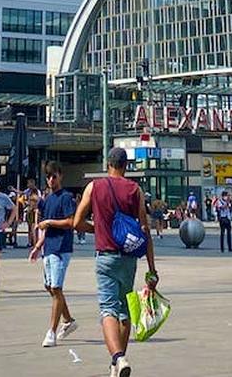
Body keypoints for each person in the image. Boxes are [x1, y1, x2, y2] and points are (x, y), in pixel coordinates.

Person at [71, 146, 158, 377]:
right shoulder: (135, 189)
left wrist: (97, 229)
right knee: (125, 310)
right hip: (129, 258)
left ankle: (118, 358)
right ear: (126, 166)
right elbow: (144, 230)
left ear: (108, 163)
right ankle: (117, 364)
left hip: (105, 256)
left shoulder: (94, 187)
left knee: (108, 309)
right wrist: (152, 270)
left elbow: (76, 222)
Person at [32, 161, 79, 347]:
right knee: (50, 287)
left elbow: (71, 222)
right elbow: (43, 226)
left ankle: (51, 331)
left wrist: (50, 222)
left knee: (56, 288)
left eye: (54, 176)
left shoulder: (66, 197)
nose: (51, 180)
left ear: (60, 176)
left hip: (61, 249)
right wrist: (38, 246)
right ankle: (68, 320)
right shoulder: (48, 200)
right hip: (48, 248)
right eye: (49, 176)